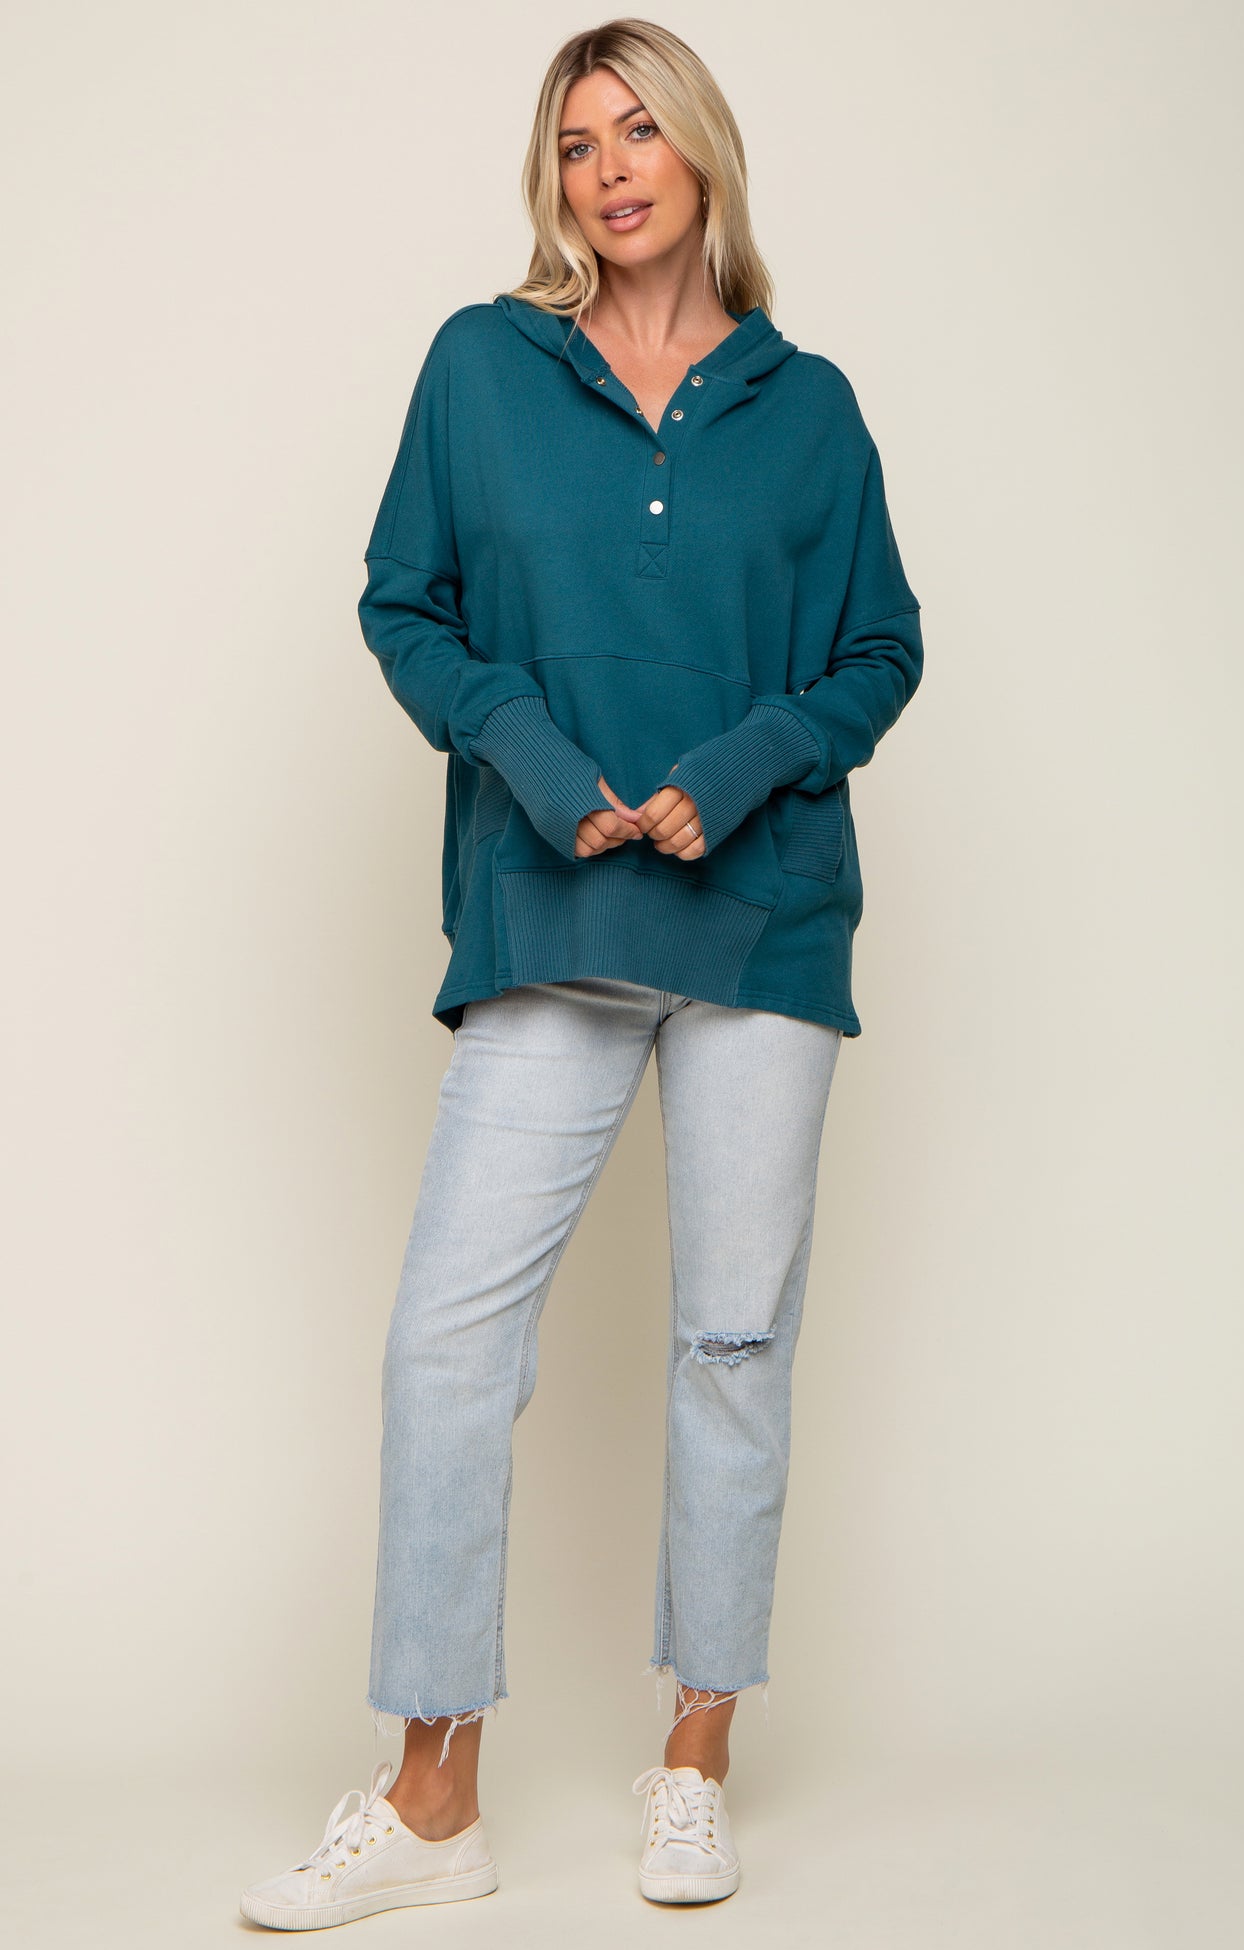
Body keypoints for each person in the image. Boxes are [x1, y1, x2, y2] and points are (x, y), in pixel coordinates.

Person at [239, 14, 923, 1929]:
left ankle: (695, 1762)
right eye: (573, 143)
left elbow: (878, 649)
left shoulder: (809, 406)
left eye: (637, 131)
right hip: (551, 914)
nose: (608, 170)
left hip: (763, 924)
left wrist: (742, 766)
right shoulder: (485, 365)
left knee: (731, 1344)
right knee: (449, 1339)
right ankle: (432, 1795)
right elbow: (407, 603)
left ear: (702, 150)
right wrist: (537, 763)